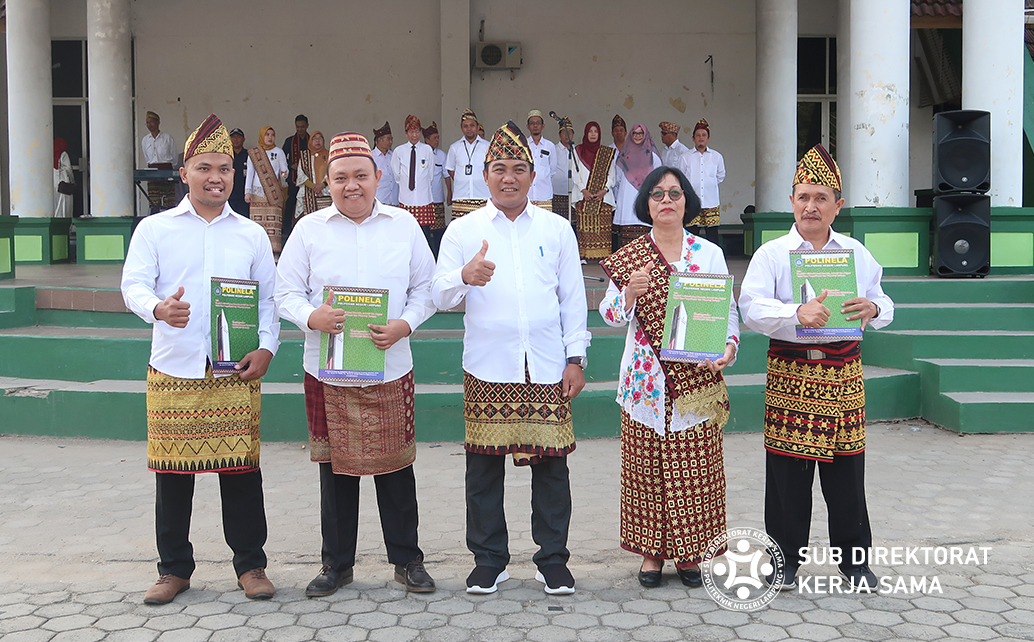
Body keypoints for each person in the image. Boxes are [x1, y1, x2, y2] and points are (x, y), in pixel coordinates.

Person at [121, 114, 280, 605]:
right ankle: (173, 569)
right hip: (175, 368)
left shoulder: (251, 234)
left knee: (241, 472)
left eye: (226, 168)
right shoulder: (154, 229)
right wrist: (157, 309)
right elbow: (133, 286)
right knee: (173, 475)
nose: (217, 177)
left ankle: (250, 564)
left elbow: (268, 302)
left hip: (234, 370)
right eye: (206, 167)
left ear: (235, 176)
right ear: (185, 172)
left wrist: (267, 347)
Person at [276, 131, 438, 597]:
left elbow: (425, 290)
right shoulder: (308, 230)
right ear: (326, 182)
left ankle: (407, 560)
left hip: (390, 364)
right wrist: (312, 316)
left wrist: (404, 324)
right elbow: (284, 292)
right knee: (335, 470)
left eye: (361, 176)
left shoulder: (404, 225)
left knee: (396, 469)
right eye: (341, 177)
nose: (352, 186)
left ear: (377, 178)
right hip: (328, 369)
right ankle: (336, 565)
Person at [432, 121, 590, 596]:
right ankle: (489, 559)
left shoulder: (557, 228)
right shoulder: (463, 230)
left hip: (545, 364)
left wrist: (575, 357)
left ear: (533, 174)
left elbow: (573, 298)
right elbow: (439, 295)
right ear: (485, 175)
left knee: (552, 466)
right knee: (483, 467)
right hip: (488, 363)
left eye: (518, 168)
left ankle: (553, 559)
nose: (509, 177)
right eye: (499, 168)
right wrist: (465, 274)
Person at [738, 144, 895, 592]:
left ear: (837, 206)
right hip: (792, 371)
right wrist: (794, 313)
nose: (811, 206)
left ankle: (855, 563)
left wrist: (872, 308)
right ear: (791, 200)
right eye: (804, 196)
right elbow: (751, 307)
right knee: (788, 473)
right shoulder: (771, 253)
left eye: (821, 198)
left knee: (847, 472)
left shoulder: (857, 254)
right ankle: (784, 561)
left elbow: (885, 304)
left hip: (844, 374)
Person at [599, 166, 738, 588]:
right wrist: (628, 294)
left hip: (697, 380)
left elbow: (727, 311)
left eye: (675, 194)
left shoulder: (707, 254)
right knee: (648, 469)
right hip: (646, 381)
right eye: (657, 194)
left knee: (696, 469)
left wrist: (729, 348)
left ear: (687, 202)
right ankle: (652, 554)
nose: (666, 201)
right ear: (646, 204)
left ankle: (691, 553)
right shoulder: (632, 257)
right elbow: (608, 316)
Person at [571, 121, 616, 260]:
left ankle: (603, 257)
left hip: (604, 196)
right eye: (590, 131)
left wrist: (604, 190)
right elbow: (574, 172)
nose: (593, 134)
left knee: (602, 228)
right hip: (582, 195)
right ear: (585, 133)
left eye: (595, 131)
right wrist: (583, 190)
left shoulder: (606, 153)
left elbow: (612, 174)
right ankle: (584, 256)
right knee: (584, 227)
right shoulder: (577, 151)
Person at [614, 124, 661, 248]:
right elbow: (617, 176)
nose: (638, 136)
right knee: (627, 233)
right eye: (635, 133)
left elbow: (658, 177)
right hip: (627, 195)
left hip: (645, 194)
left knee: (644, 229)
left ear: (645, 135)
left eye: (640, 133)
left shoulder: (652, 155)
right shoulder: (624, 154)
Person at [392, 115, 436, 247]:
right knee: (407, 231)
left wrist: (421, 184)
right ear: (406, 133)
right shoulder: (399, 151)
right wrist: (408, 185)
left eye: (417, 131)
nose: (414, 135)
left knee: (425, 233)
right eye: (411, 132)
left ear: (421, 132)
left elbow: (430, 174)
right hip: (406, 197)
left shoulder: (427, 149)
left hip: (423, 197)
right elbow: (397, 175)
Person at [244, 126, 289, 253]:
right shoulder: (254, 153)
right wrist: (247, 192)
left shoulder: (279, 152)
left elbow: (284, 170)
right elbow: (250, 174)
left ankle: (274, 255)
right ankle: (257, 253)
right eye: (267, 134)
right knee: (257, 226)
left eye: (272, 135)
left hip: (273, 194)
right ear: (262, 136)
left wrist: (285, 174)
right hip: (256, 194)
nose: (270, 137)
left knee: (273, 226)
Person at [683, 119, 726, 245]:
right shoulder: (685, 157)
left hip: (711, 200)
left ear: (708, 138)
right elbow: (681, 178)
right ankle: (691, 259)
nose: (701, 138)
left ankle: (713, 261)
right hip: (692, 201)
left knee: (712, 234)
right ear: (693, 138)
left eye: (704, 135)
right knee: (691, 233)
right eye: (698, 135)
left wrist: (708, 185)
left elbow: (720, 176)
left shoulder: (716, 156)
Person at [444, 109, 490, 219]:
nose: (469, 129)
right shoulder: (455, 147)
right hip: (461, 196)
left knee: (482, 231)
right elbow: (450, 169)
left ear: (477, 127)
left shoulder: (487, 146)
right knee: (461, 232)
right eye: (465, 126)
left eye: (472, 125)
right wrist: (462, 178)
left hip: (482, 195)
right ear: (461, 128)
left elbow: (492, 169)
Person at [141, 111, 177, 213]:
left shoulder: (167, 138)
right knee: (154, 201)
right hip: (152, 171)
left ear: (158, 122)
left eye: (151, 122)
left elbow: (174, 157)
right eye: (147, 122)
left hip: (167, 170)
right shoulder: (145, 140)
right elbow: (146, 157)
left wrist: (169, 169)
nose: (149, 125)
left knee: (168, 201)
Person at [283, 115, 310, 239]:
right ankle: (287, 230)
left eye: (302, 127)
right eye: (298, 127)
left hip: (309, 179)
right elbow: (282, 158)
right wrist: (290, 165)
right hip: (294, 177)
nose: (300, 129)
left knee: (308, 202)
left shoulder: (311, 140)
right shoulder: (290, 141)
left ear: (307, 126)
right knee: (291, 202)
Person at [424, 121, 449, 256]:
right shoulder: (421, 153)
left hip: (438, 198)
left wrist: (449, 193)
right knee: (426, 232)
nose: (437, 140)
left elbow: (446, 176)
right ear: (427, 140)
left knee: (439, 231)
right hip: (424, 200)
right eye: (434, 138)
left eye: (438, 137)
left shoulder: (441, 155)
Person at [294, 130, 331, 220]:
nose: (317, 141)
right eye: (314, 138)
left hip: (325, 194)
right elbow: (301, 175)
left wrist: (322, 185)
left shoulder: (329, 155)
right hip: (308, 195)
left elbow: (332, 173)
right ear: (310, 141)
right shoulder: (305, 156)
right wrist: (314, 187)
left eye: (320, 138)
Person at [526, 109, 557, 210]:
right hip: (527, 195)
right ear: (528, 126)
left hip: (544, 195)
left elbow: (552, 170)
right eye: (532, 123)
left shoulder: (550, 146)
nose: (535, 126)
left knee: (545, 225)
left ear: (543, 126)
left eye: (538, 123)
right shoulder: (524, 145)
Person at [552, 116, 576, 219]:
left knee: (573, 222)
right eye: (564, 133)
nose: (567, 135)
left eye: (570, 132)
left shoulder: (577, 151)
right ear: (559, 135)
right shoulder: (554, 149)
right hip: (557, 193)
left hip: (574, 193)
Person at [372, 122, 399, 206]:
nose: (391, 142)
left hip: (394, 201)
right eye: (388, 139)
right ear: (380, 140)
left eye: (391, 139)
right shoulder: (371, 157)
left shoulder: (394, 155)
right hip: (379, 201)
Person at [228, 128, 250, 217]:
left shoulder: (249, 155)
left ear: (243, 139)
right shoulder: (226, 156)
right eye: (233, 137)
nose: (236, 139)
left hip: (244, 196)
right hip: (229, 195)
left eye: (238, 137)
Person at [54, 138, 74, 218]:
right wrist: (72, 180)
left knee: (56, 203)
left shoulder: (50, 154)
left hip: (54, 182)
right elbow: (68, 168)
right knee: (65, 203)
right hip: (63, 181)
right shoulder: (63, 154)